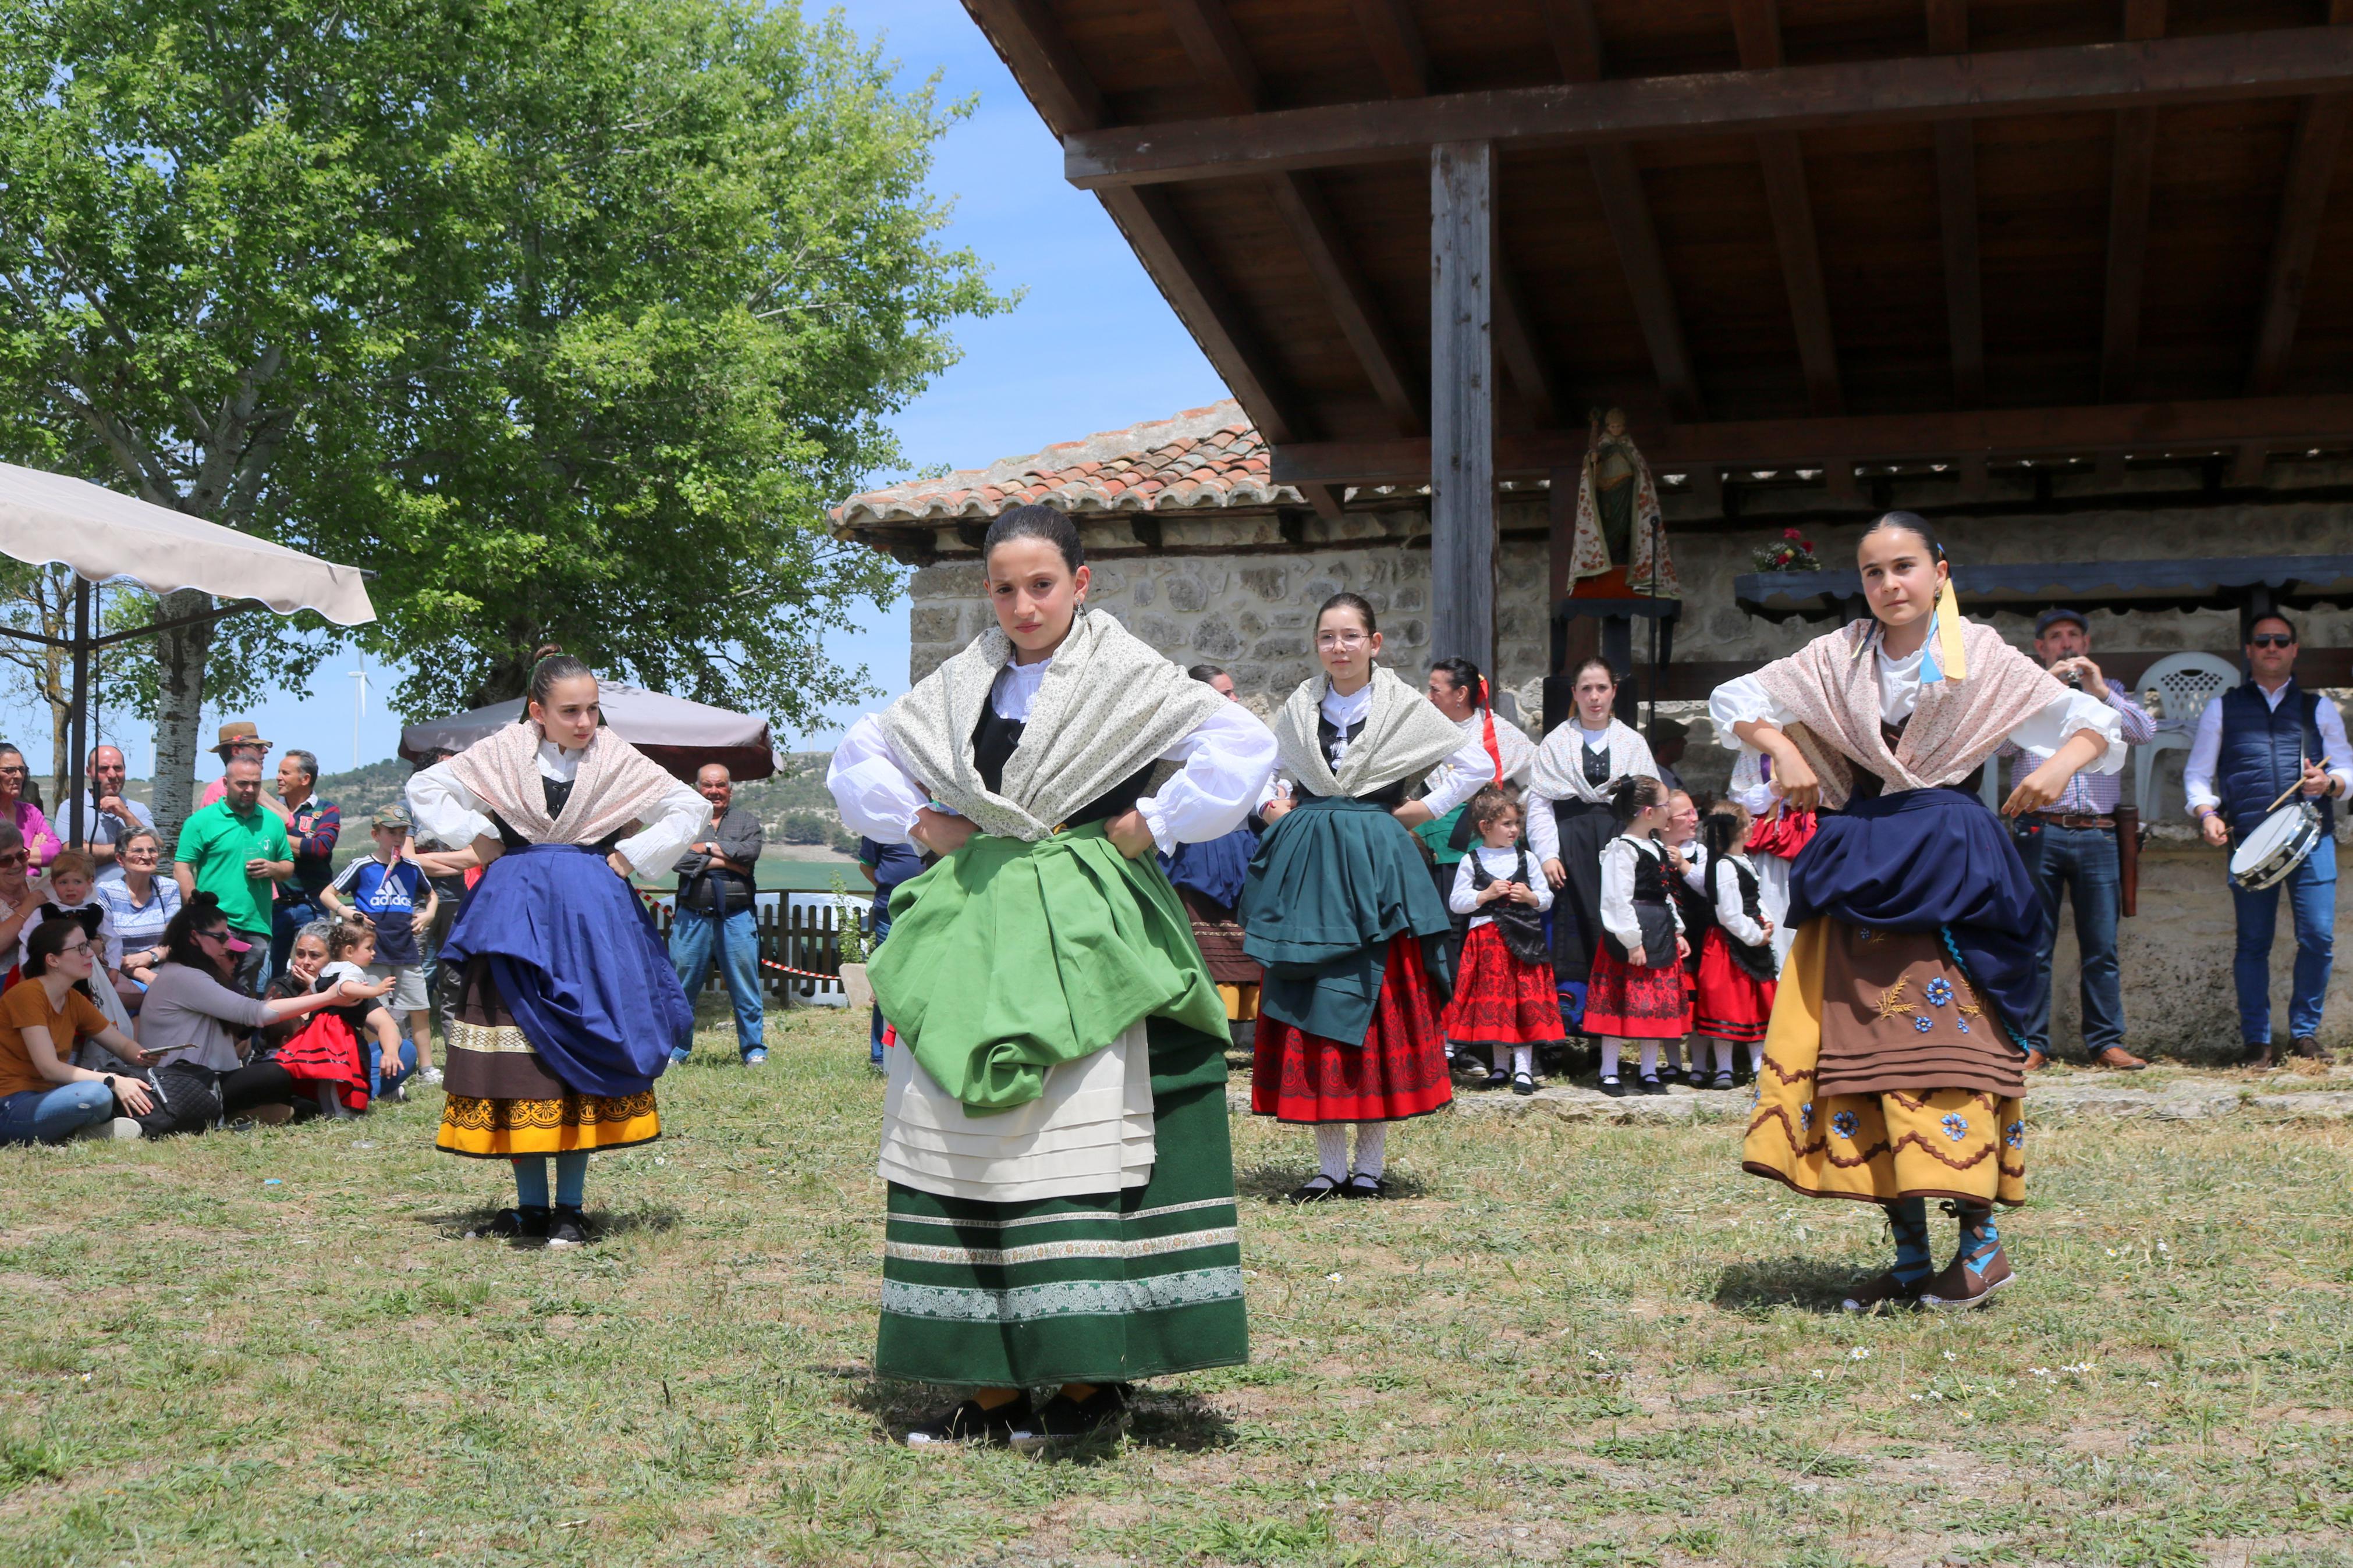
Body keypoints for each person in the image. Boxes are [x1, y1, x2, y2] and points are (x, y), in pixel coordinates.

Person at [828, 503, 1275, 1449]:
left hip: (1087, 921)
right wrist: (921, 823)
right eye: (1003, 588)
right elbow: (862, 750)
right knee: (960, 1130)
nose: (1022, 604)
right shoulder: (962, 687)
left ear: (1080, 583)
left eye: (1041, 584)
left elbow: (1240, 745)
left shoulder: (1127, 678)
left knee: (1080, 1134)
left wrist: (1152, 819)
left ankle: (1085, 1381)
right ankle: (984, 1389)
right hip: (980, 918)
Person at [1711, 511, 2122, 1311]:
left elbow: (2090, 721)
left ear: (1939, 570)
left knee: (1948, 1053)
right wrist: (1782, 744)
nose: (1888, 584)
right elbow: (1735, 693)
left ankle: (1980, 1251)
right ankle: (1906, 1259)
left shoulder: (1981, 658)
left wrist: (2058, 768)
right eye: (1871, 572)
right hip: (1859, 857)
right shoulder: (1836, 657)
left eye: (1903, 566)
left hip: (1948, 862)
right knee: (1860, 1056)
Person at [406, 646, 707, 1249]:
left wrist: (632, 857)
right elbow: (426, 785)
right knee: (520, 1061)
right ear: (536, 710)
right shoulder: (500, 752)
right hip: (512, 919)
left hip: (593, 917)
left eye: (593, 709)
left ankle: (569, 1209)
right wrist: (479, 838)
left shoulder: (613, 756)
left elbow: (689, 805)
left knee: (586, 1042)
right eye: (571, 711)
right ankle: (529, 1210)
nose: (585, 723)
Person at [1244, 592, 1489, 1201]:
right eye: (1327, 636)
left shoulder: (1404, 707)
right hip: (1310, 867)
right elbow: (1265, 770)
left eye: (1350, 635)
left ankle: (1369, 1169)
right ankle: (1329, 1168)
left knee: (1376, 1007)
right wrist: (1270, 805)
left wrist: (1411, 812)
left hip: (1378, 865)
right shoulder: (1300, 706)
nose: (1338, 647)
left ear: (1374, 643)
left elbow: (1474, 764)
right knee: (1316, 1004)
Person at [2182, 612, 2352, 1069]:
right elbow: (2197, 775)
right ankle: (2256, 1042)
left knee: (2317, 937)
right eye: (2262, 641)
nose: (2272, 647)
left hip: (2311, 838)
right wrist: (2206, 813)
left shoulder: (2318, 708)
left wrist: (2328, 785)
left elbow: (2348, 770)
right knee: (2253, 942)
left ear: (2294, 649)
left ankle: (2304, 1035)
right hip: (2250, 839)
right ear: (2250, 650)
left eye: (2281, 640)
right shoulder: (2223, 707)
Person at [1998, 608, 2159, 1072]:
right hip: (2037, 828)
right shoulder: (2025, 695)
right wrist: (2042, 690)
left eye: (2073, 636)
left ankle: (2106, 1042)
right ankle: (2030, 1043)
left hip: (2097, 834)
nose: (2065, 644)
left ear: (2085, 646)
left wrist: (2100, 689)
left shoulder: (2109, 696)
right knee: (2034, 942)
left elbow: (2144, 732)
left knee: (2101, 945)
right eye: (2054, 638)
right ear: (2041, 649)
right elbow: (1999, 745)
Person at [138, 894, 365, 1131]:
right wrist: (329, 996)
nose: (228, 944)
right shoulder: (184, 976)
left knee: (295, 1087)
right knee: (279, 1073)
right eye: (221, 937)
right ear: (195, 937)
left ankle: (249, 1113)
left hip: (205, 1082)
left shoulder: (186, 973)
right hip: (187, 1086)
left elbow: (243, 1025)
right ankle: (238, 1114)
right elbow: (255, 1012)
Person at [1527, 659, 1661, 1039]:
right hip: (1568, 844)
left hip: (1618, 845)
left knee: (1614, 922)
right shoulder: (1555, 742)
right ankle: (1573, 1018)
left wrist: (1644, 850)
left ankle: (1615, 1021)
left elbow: (1646, 802)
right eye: (1585, 688)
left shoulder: (1632, 743)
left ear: (1613, 691)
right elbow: (1539, 805)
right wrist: (1547, 854)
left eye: (1601, 687)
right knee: (1572, 928)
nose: (1594, 696)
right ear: (1574, 694)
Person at [1160, 664, 1269, 1047]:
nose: (1235, 700)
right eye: (1225, 695)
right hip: (1194, 856)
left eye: (1233, 692)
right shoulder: (1180, 747)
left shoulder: (1248, 741)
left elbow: (1263, 792)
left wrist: (1271, 806)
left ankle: (1248, 1031)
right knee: (1197, 934)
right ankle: (1205, 1026)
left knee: (1242, 933)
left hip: (1240, 849)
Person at [1417, 657, 1535, 970]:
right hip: (1437, 847)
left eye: (1435, 689)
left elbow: (1534, 782)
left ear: (1460, 694)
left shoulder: (1499, 731)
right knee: (1445, 926)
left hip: (1487, 849)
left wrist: (1510, 815)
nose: (1429, 696)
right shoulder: (1422, 731)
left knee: (1485, 929)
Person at [1439, 785, 1558, 1093]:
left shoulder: (1527, 858)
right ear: (1485, 827)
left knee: (1521, 1001)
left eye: (1517, 823)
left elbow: (1546, 898)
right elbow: (1457, 903)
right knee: (1496, 1003)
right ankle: (1501, 1067)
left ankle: (1523, 1069)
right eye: (1507, 824)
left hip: (1523, 939)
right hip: (1487, 939)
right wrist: (1484, 895)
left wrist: (1531, 897)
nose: (1514, 830)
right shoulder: (1472, 860)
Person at [0, 919, 160, 1143]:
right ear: (53, 960)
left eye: (89, 945)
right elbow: (49, 1069)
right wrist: (112, 1080)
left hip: (47, 1099)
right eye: (81, 948)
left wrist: (143, 1056)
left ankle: (75, 1131)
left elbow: (121, 1045)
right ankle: (77, 1130)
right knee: (98, 1094)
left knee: (125, 1088)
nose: (91, 955)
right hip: (9, 1105)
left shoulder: (73, 999)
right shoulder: (28, 995)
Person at [1585, 777, 1691, 1096]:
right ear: (1648, 812)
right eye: (1665, 806)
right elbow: (1617, 898)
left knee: (1654, 1005)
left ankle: (1648, 1071)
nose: (1669, 812)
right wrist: (1631, 940)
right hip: (1631, 934)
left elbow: (1664, 893)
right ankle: (1609, 1072)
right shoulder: (1623, 849)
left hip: (1659, 930)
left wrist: (1677, 929)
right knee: (1618, 1002)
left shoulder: (1657, 847)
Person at [667, 763, 767, 1065]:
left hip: (737, 917)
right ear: (698, 788)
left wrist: (706, 847)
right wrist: (726, 861)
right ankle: (675, 1051)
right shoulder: (684, 821)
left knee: (746, 988)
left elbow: (750, 853)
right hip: (692, 916)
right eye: (708, 785)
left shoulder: (746, 821)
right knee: (681, 988)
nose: (714, 791)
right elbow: (675, 858)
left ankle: (754, 1051)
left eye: (720, 785)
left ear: (730, 789)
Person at [322, 809, 437, 1073]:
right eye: (391, 832)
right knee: (375, 1012)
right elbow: (328, 894)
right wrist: (348, 912)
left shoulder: (412, 868)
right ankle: (377, 1065)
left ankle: (427, 1068)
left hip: (406, 949)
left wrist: (428, 915)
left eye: (402, 832)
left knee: (419, 1008)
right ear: (376, 834)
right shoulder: (362, 866)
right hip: (371, 952)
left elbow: (431, 895)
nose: (397, 838)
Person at [171, 756, 290, 994]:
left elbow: (288, 866)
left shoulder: (273, 823)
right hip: (214, 926)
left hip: (256, 926)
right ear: (225, 783)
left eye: (256, 784)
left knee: (244, 996)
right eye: (242, 784)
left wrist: (273, 868)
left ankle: (240, 1034)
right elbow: (182, 867)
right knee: (207, 990)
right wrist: (196, 912)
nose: (250, 790)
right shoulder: (201, 822)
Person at [1692, 801, 1777, 1089]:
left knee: (1755, 1004)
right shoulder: (1724, 866)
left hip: (1751, 938)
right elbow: (1728, 913)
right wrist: (1755, 935)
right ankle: (1725, 1069)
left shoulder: (1743, 861)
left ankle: (1759, 1066)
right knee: (1727, 1005)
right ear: (1740, 832)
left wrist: (1766, 920)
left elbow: (1754, 897)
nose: (1753, 827)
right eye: (1749, 823)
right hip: (1730, 944)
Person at [258, 749, 340, 980]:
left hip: (312, 905)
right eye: (278, 772)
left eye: (285, 772)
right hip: (273, 906)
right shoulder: (265, 812)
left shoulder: (327, 810)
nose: (278, 777)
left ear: (305, 779)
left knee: (315, 969)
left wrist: (276, 838)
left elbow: (320, 848)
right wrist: (302, 843)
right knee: (269, 973)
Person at [315, 918, 414, 1099]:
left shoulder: (326, 972)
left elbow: (388, 1026)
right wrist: (375, 990)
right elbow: (344, 987)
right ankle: (361, 1094)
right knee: (406, 1050)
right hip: (340, 1050)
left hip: (324, 1051)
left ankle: (360, 1091)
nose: (374, 953)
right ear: (350, 951)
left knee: (403, 1048)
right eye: (369, 948)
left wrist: (390, 1053)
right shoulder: (352, 971)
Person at [92, 827, 179, 1015]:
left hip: (164, 970)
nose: (147, 856)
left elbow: (177, 941)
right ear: (120, 859)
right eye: (138, 850)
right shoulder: (106, 892)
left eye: (152, 850)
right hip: (120, 975)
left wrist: (149, 957)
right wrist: (138, 972)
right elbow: (102, 946)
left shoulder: (168, 888)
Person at [84, 744, 154, 881]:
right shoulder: (72, 808)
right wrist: (128, 848)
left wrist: (126, 815)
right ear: (89, 771)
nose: (112, 775)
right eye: (104, 769)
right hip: (93, 897)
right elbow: (76, 855)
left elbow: (154, 848)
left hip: (137, 897)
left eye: (118, 768)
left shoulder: (139, 809)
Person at [0, 745, 59, 873]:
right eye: (9, 770)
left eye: (22, 769)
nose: (19, 776)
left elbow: (56, 851)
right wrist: (32, 852)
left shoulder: (30, 813)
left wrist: (15, 857)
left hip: (32, 890)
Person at [192, 721, 271, 811]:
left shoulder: (232, 788)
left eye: (256, 784)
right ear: (236, 752)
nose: (265, 750)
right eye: (258, 746)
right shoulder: (222, 791)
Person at [0, 825, 38, 984]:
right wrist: (27, 908)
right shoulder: (36, 896)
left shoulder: (40, 886)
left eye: (21, 856)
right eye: (5, 860)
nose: (16, 865)